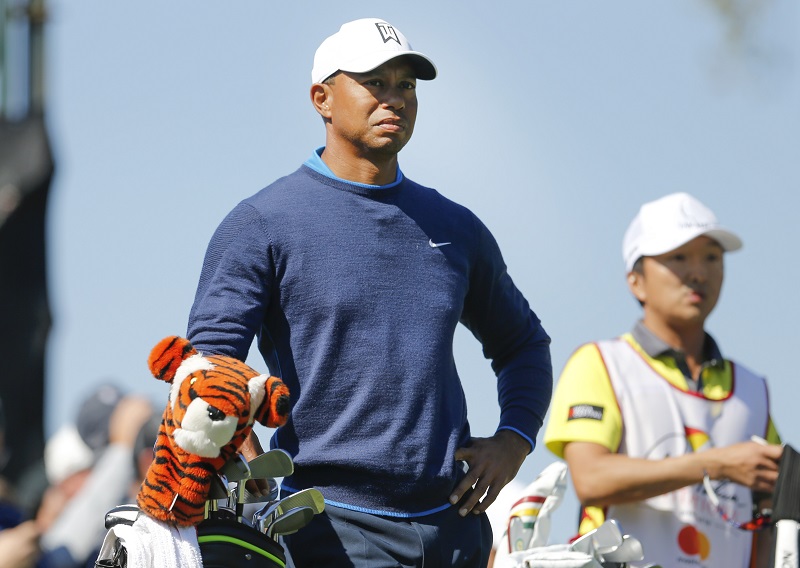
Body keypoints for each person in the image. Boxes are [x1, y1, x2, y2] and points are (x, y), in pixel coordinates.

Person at [186, 17, 553, 567]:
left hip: (454, 528)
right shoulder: (263, 222)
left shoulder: (456, 226)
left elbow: (523, 345)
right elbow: (209, 365)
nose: (395, 98)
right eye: (374, 82)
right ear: (322, 98)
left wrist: (514, 440)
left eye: (406, 84)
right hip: (324, 526)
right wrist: (238, 444)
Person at [543, 192, 783, 568]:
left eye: (712, 257)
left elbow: (769, 519)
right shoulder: (601, 363)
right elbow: (591, 477)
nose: (699, 273)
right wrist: (714, 465)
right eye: (678, 257)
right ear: (636, 281)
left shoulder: (754, 390)